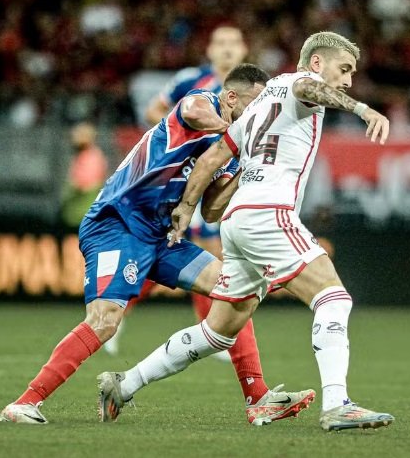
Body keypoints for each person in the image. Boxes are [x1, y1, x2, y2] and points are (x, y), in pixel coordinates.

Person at [98, 32, 395, 431]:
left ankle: (123, 384)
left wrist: (187, 209)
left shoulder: (261, 100)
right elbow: (308, 85)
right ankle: (338, 404)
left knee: (218, 330)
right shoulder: (297, 84)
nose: (348, 81)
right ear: (318, 63)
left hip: (237, 220)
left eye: (353, 75)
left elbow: (214, 158)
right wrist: (362, 110)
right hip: (269, 214)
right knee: (334, 298)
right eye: (344, 70)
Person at [0, 63, 315, 426]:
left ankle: (257, 398)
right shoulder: (202, 103)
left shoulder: (230, 152)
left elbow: (210, 211)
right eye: (255, 105)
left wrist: (246, 169)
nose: (260, 115)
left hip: (163, 235)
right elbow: (192, 111)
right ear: (230, 97)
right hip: (117, 224)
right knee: (104, 321)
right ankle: (24, 403)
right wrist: (233, 133)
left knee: (234, 292)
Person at [113, 25, 248, 361]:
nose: (227, 49)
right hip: (185, 177)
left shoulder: (252, 88)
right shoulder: (192, 82)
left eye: (234, 43)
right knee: (185, 251)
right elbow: (153, 111)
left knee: (205, 252)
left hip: (219, 177)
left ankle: (210, 332)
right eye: (220, 42)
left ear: (244, 50)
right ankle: (116, 314)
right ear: (210, 50)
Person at [60, 122, 108, 228]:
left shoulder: (92, 157)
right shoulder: (81, 155)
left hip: (83, 215)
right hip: (75, 215)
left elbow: (85, 185)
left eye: (79, 134)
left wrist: (72, 188)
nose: (74, 137)